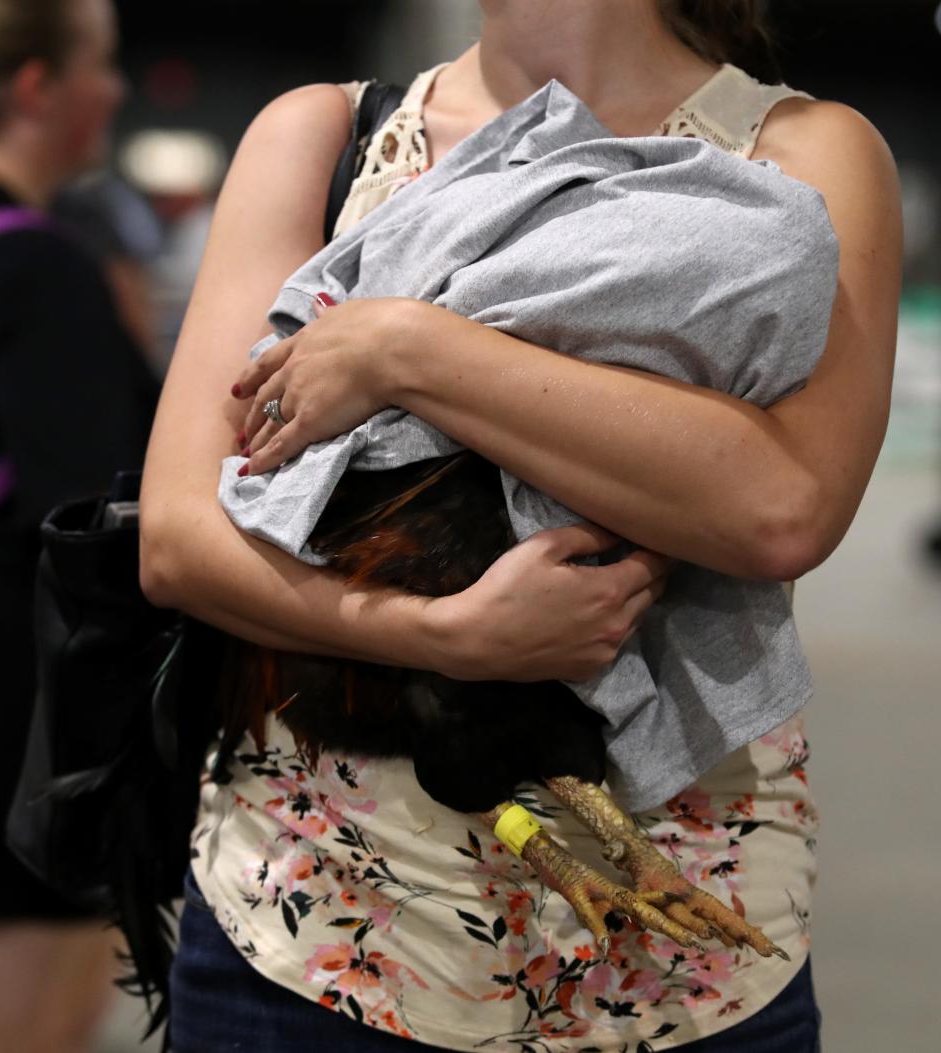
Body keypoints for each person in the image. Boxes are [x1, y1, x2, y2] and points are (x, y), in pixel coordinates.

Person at [140, 1, 901, 1050]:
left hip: (678, 957)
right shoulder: (324, 135)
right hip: (315, 918)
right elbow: (180, 539)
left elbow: (782, 510)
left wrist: (409, 350)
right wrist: (446, 638)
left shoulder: (803, 149)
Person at [0, 2, 158, 1050]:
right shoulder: (40, 268)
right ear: (41, 86)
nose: (120, 91)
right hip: (18, 717)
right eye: (104, 64)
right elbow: (92, 510)